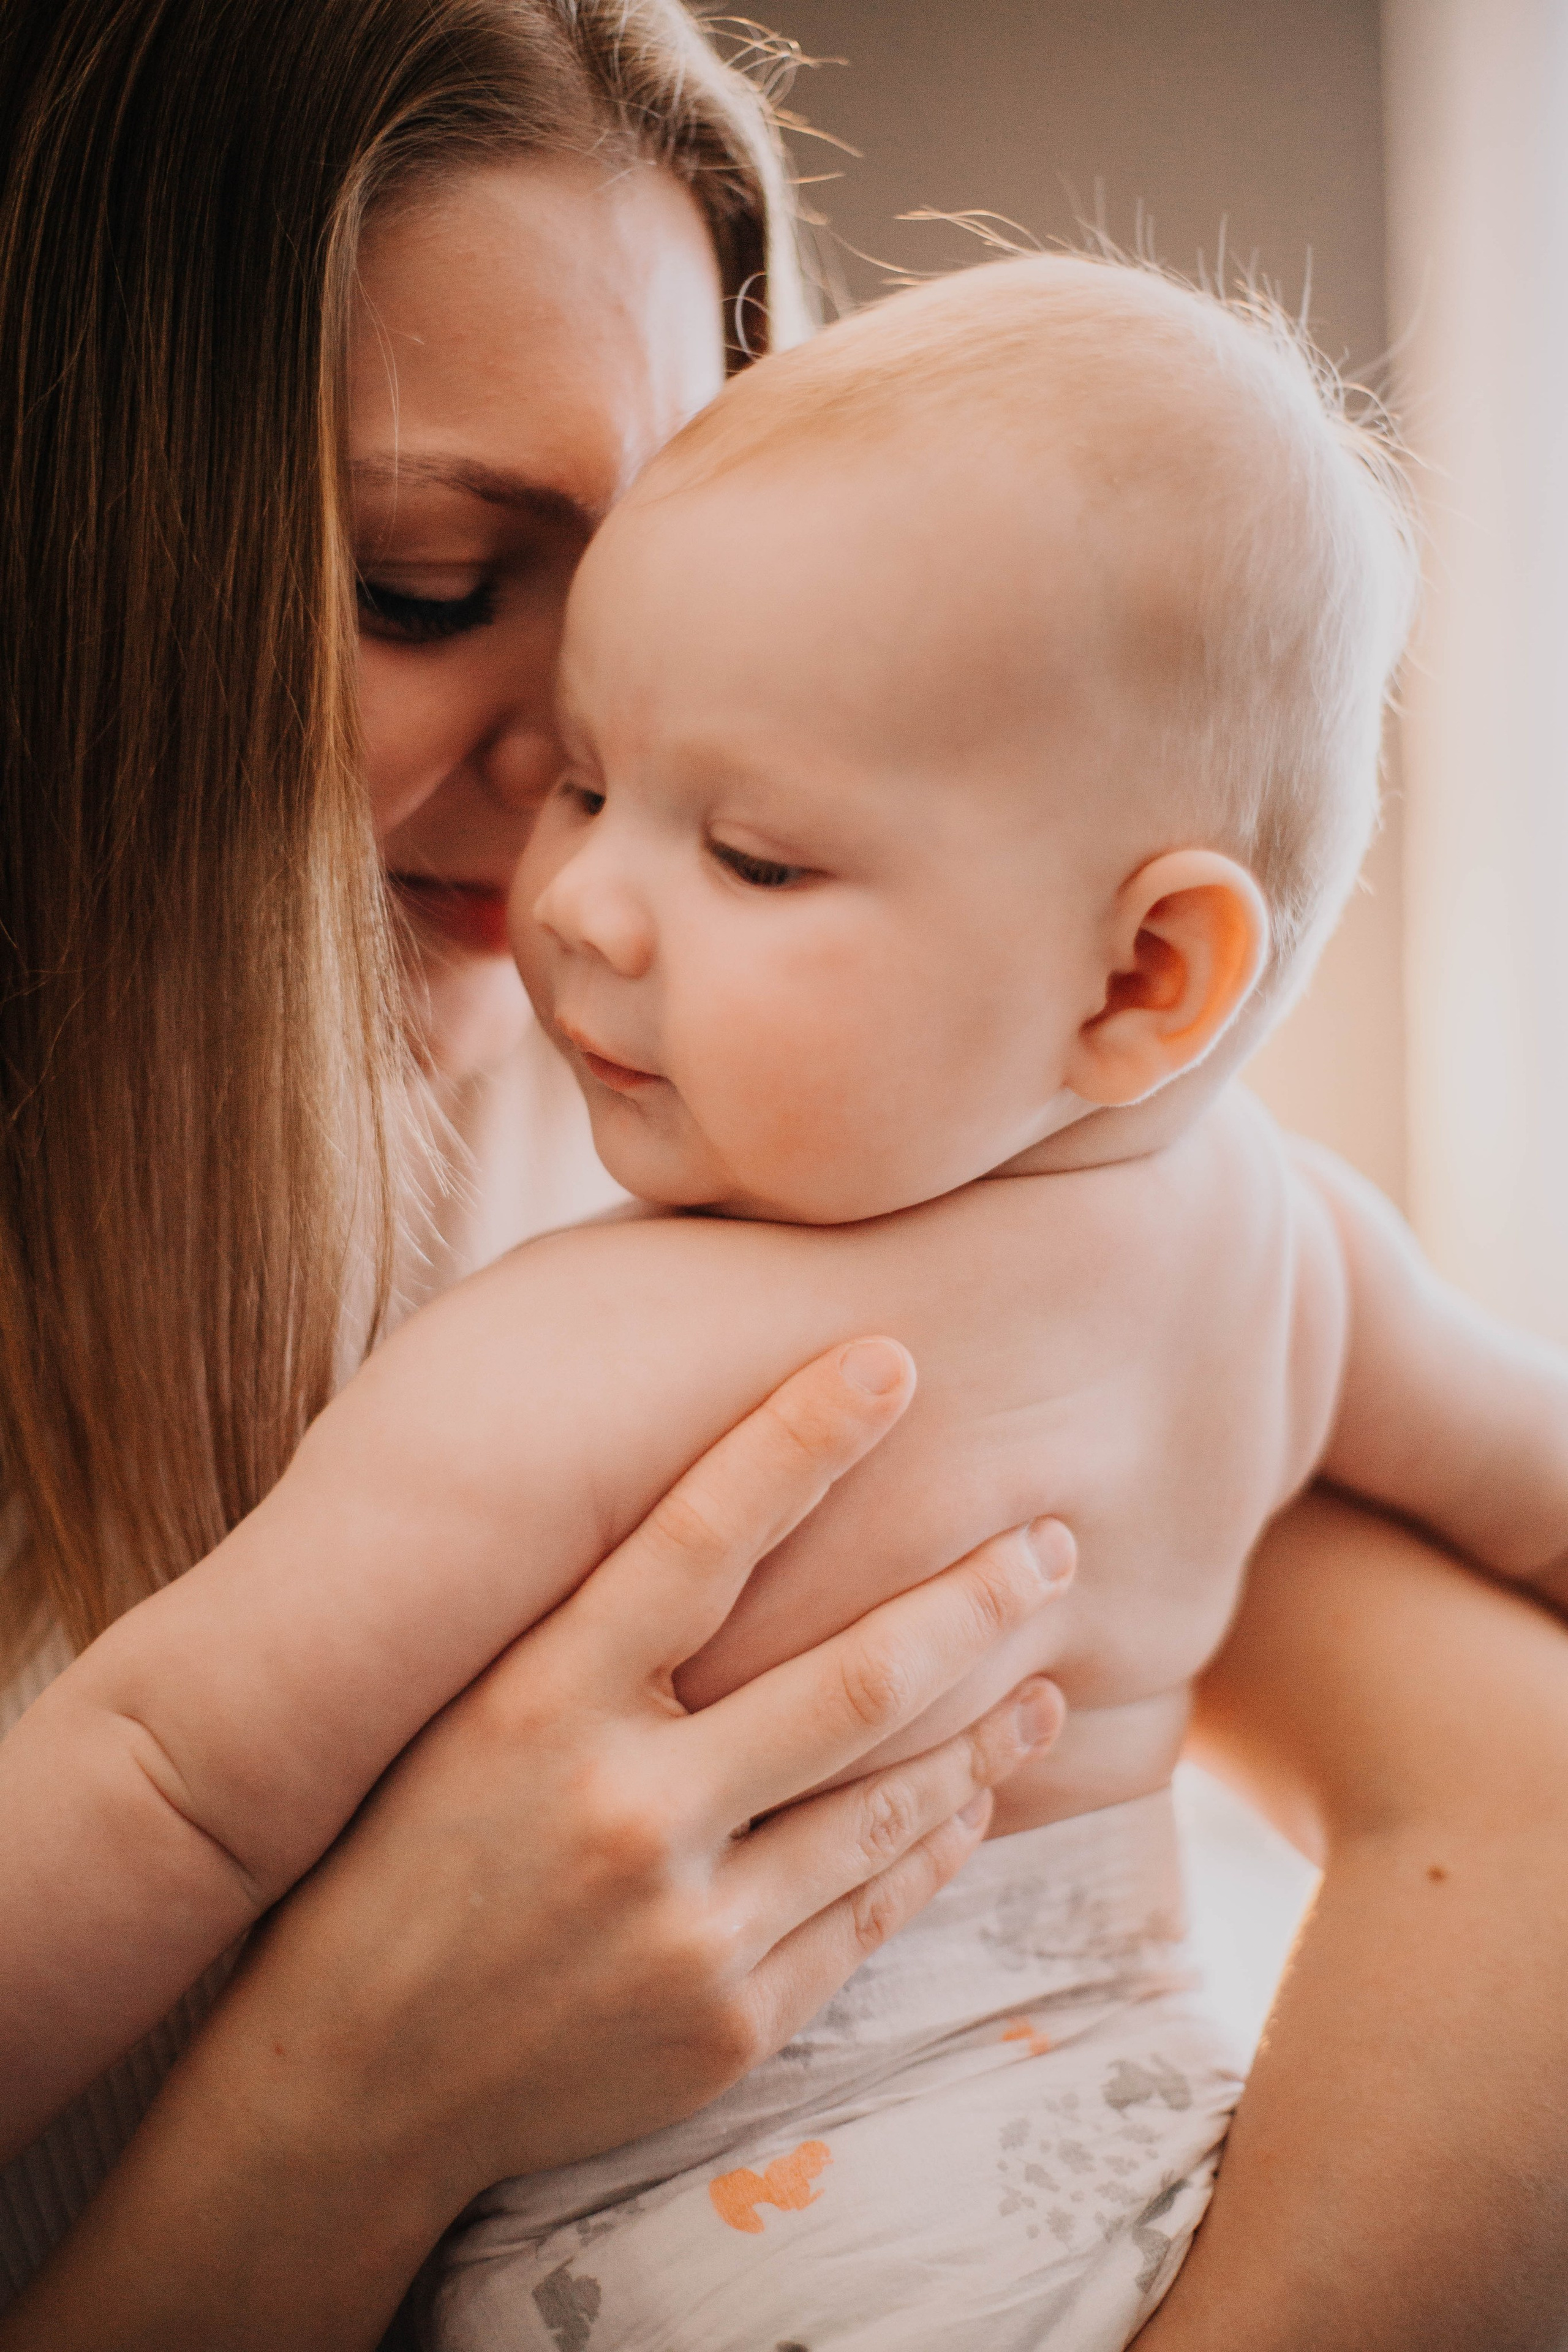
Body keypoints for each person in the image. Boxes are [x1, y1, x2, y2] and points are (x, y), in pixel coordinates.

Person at [4, 6, 1568, 2349]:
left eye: (751, 820)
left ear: (1143, 971)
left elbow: (1523, 1782)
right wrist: (355, 2089)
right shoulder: (1192, 1248)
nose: (578, 858)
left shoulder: (696, 1234)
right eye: (433, 580)